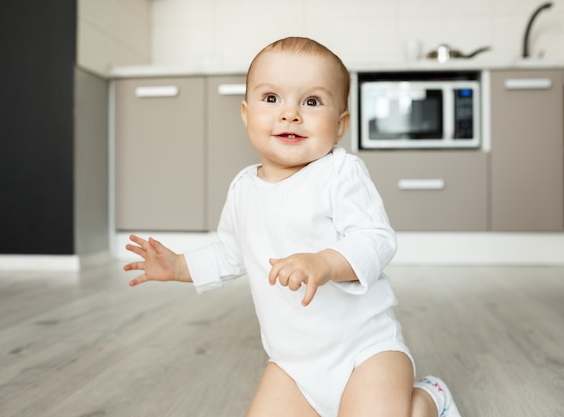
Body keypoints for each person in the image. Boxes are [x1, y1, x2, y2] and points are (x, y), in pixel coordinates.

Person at [124, 36, 462, 417]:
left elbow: (376, 239)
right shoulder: (243, 189)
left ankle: (428, 399)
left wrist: (325, 263)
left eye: (312, 101)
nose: (290, 114)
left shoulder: (339, 173)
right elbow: (231, 252)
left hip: (365, 351)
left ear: (340, 124)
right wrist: (181, 267)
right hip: (293, 365)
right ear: (245, 113)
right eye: (271, 99)